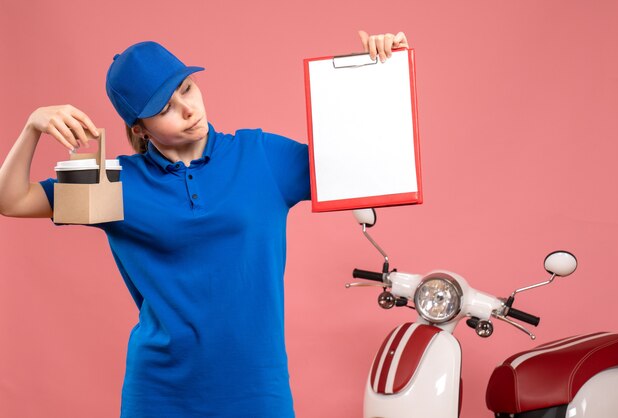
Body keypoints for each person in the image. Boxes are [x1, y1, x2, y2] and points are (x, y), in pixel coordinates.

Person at [0, 30, 409, 417]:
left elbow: (367, 171)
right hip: (159, 393)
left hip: (257, 388)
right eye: (165, 109)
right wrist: (32, 125)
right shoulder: (117, 182)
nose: (189, 109)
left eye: (187, 89)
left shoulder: (261, 156)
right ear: (139, 128)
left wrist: (380, 73)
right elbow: (12, 199)